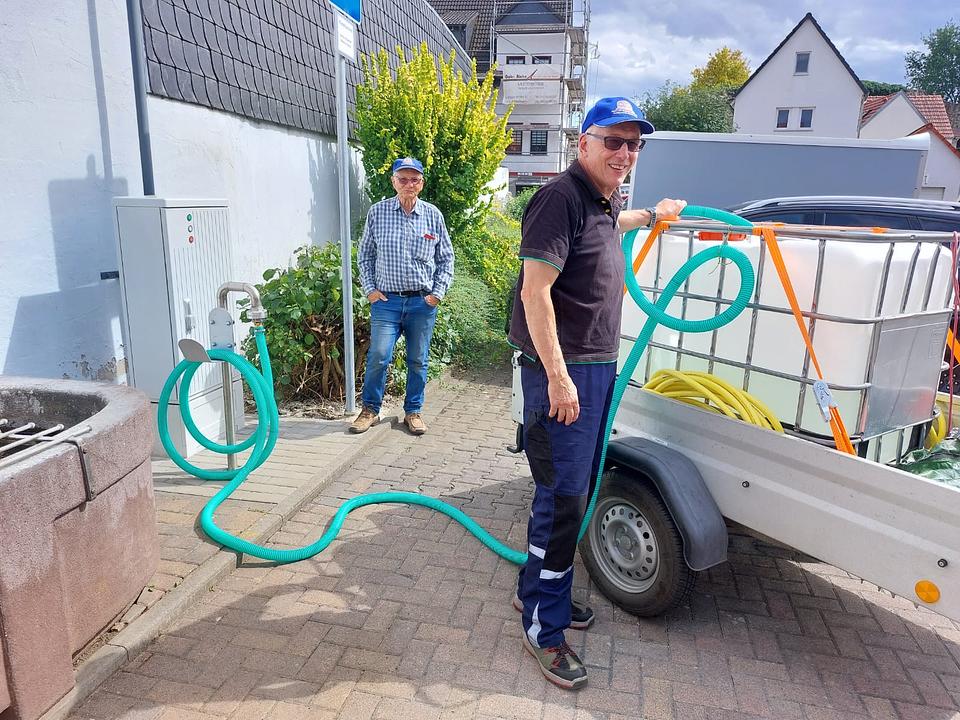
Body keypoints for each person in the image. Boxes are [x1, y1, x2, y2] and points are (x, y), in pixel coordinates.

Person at [507, 97, 687, 689]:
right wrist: (559, 378)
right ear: (583, 143)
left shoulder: (601, 202)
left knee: (566, 491)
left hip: (595, 368)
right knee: (566, 502)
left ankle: (535, 593)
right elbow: (535, 294)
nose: (624, 153)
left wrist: (654, 214)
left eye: (633, 144)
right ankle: (544, 628)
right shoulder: (558, 198)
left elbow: (614, 226)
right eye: (613, 140)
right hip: (565, 374)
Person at [350, 157, 454, 436]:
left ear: (422, 183)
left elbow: (446, 259)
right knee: (379, 356)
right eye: (403, 179)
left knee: (418, 360)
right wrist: (370, 290)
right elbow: (365, 255)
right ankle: (370, 410)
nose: (409, 184)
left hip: (422, 303)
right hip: (387, 303)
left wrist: (436, 294)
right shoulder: (378, 213)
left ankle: (413, 412)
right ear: (393, 182)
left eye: (414, 179)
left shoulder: (433, 215)